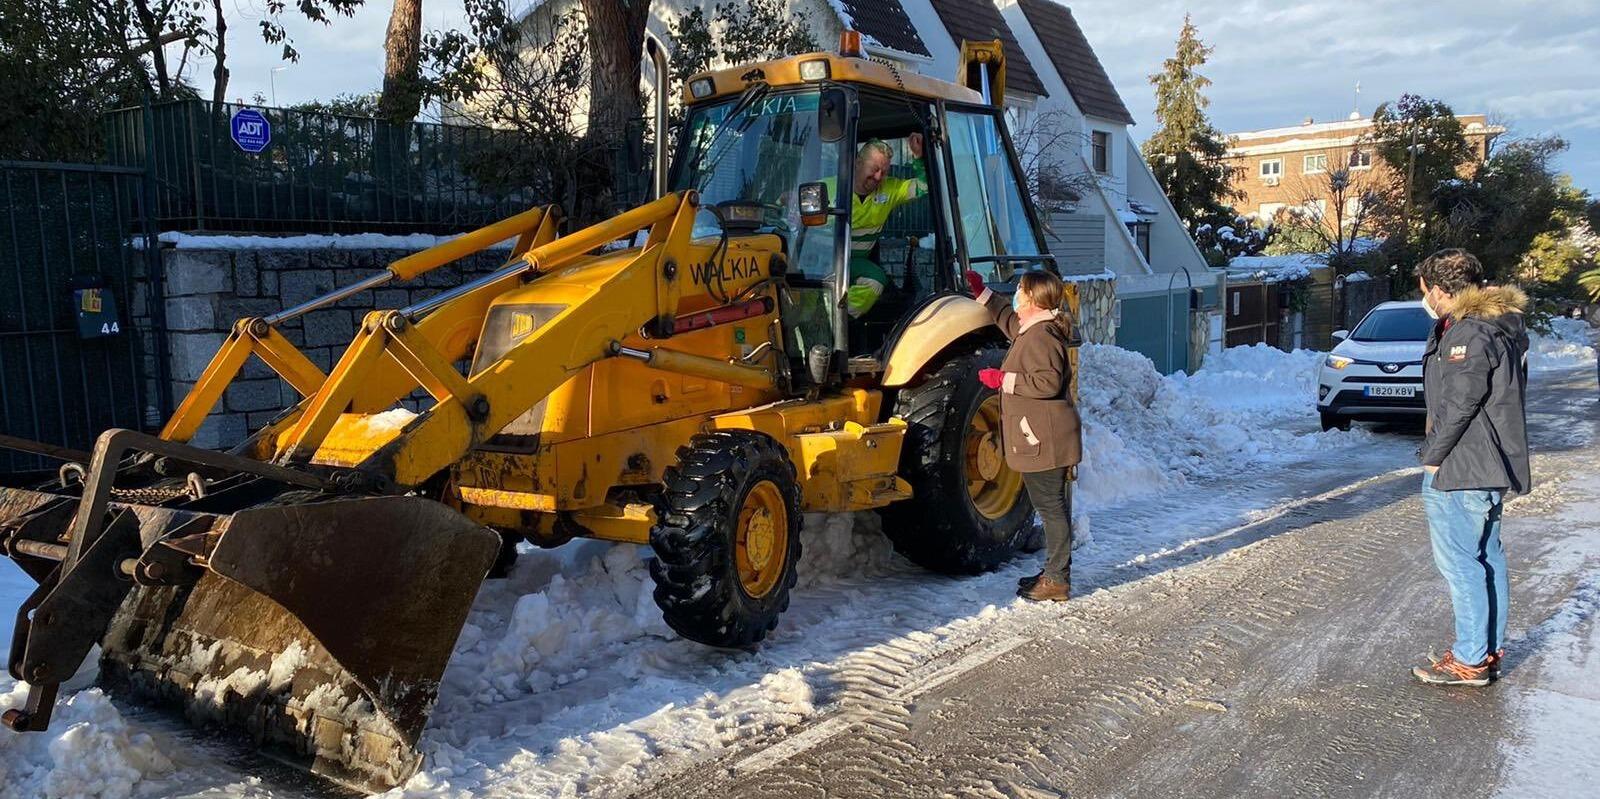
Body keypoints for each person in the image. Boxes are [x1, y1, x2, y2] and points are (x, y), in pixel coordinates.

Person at [1409, 249, 1531, 687]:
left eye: (1425, 290)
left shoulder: (1470, 333)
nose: (1425, 298)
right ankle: (1485, 649)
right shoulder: (1498, 325)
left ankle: (1470, 659)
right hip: (1487, 464)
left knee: (1462, 564)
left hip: (1464, 466)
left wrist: (1433, 456)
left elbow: (1460, 404)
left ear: (1441, 289)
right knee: (1486, 558)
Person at [965, 269, 1082, 601]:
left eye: (1020, 289)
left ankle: (1057, 580)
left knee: (1051, 508)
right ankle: (1053, 572)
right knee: (1049, 506)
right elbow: (1008, 321)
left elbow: (1047, 383)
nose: (1016, 294)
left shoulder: (1042, 337)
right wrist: (984, 294)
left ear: (1033, 298)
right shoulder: (1032, 330)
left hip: (1046, 439)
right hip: (1039, 438)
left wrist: (1004, 381)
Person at [842, 135, 925, 318]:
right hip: (825, 261)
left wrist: (919, 157)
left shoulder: (890, 189)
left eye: (884, 171)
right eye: (875, 169)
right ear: (857, 163)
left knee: (876, 280)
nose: (879, 176)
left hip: (856, 262)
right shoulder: (830, 186)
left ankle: (840, 320)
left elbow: (923, 186)